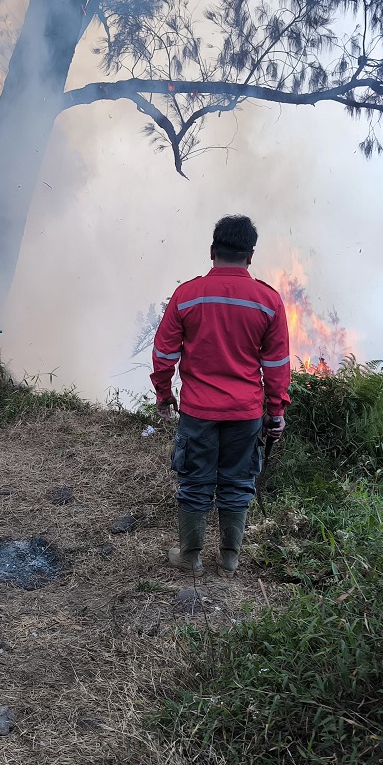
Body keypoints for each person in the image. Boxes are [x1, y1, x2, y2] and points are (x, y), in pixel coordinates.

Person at [151, 215, 290, 577]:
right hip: (245, 412)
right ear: (251, 255)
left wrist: (164, 395)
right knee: (238, 480)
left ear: (213, 251)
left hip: (199, 410)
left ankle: (191, 557)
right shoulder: (269, 300)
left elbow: (165, 353)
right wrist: (276, 412)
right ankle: (229, 559)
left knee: (195, 480)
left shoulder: (187, 295)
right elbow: (276, 364)